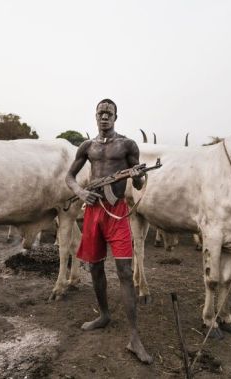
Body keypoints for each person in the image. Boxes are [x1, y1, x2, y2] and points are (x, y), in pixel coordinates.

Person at [66, 98, 153, 364]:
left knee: (126, 272)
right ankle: (103, 315)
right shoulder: (87, 146)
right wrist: (81, 192)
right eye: (101, 112)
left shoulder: (127, 145)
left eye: (109, 113)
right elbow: (70, 177)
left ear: (116, 116)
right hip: (93, 212)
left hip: (116, 213)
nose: (104, 116)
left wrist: (137, 175)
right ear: (95, 116)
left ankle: (135, 338)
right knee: (94, 268)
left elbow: (138, 183)